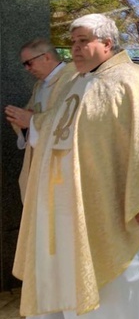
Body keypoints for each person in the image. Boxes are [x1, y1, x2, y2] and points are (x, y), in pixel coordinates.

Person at [12, 13, 139, 319]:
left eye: (83, 41)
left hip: (128, 203)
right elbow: (61, 126)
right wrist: (34, 123)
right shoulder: (79, 82)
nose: (75, 49)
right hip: (82, 202)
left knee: (128, 283)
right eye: (72, 42)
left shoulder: (133, 79)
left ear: (107, 43)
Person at [4, 39, 75, 203]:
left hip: (63, 163)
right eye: (24, 65)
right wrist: (22, 122)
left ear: (47, 57)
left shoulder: (73, 79)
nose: (27, 69)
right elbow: (30, 119)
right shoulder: (39, 86)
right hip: (41, 161)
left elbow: (72, 119)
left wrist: (32, 121)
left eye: (29, 63)